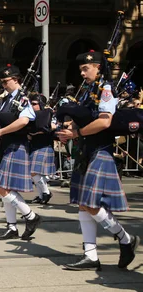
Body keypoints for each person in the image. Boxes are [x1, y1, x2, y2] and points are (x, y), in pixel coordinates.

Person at [58, 51, 139, 270]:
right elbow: (83, 118)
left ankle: (125, 238)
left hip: (100, 151)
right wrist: (68, 129)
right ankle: (91, 256)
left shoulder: (106, 90)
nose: (82, 73)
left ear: (98, 67)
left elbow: (104, 123)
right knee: (83, 205)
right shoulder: (86, 91)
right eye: (81, 70)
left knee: (91, 205)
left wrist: (77, 134)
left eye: (86, 69)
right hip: (86, 151)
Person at [0, 65, 40, 240]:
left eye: (6, 81)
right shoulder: (5, 100)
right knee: (5, 187)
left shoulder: (24, 99)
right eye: (1, 82)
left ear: (16, 79)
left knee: (1, 187)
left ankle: (31, 216)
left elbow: (23, 121)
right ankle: (12, 227)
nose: (3, 85)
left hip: (16, 145)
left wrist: (1, 132)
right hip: (6, 144)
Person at [28, 93, 54, 204]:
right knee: (34, 173)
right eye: (31, 104)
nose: (32, 106)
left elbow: (53, 126)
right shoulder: (30, 115)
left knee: (33, 171)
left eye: (34, 104)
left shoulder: (49, 114)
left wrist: (38, 131)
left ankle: (46, 193)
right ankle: (41, 195)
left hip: (44, 145)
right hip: (34, 146)